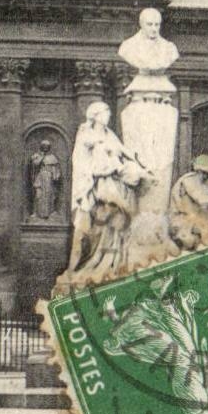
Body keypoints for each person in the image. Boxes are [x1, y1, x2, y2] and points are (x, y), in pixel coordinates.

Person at [61, 102, 152, 285]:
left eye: (109, 112)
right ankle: (73, 271)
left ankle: (111, 266)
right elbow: (83, 164)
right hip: (94, 187)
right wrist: (114, 167)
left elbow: (124, 152)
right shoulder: (87, 135)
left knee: (117, 225)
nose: (108, 115)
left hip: (112, 184)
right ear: (95, 115)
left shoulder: (109, 134)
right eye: (105, 112)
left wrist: (141, 167)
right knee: (83, 232)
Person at [28, 139, 62, 220]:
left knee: (49, 195)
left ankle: (49, 213)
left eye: (47, 146)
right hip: (40, 177)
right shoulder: (36, 156)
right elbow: (35, 165)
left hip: (49, 178)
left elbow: (56, 168)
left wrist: (56, 175)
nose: (45, 148)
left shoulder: (52, 157)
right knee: (38, 195)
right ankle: (36, 212)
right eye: (44, 146)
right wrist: (41, 156)